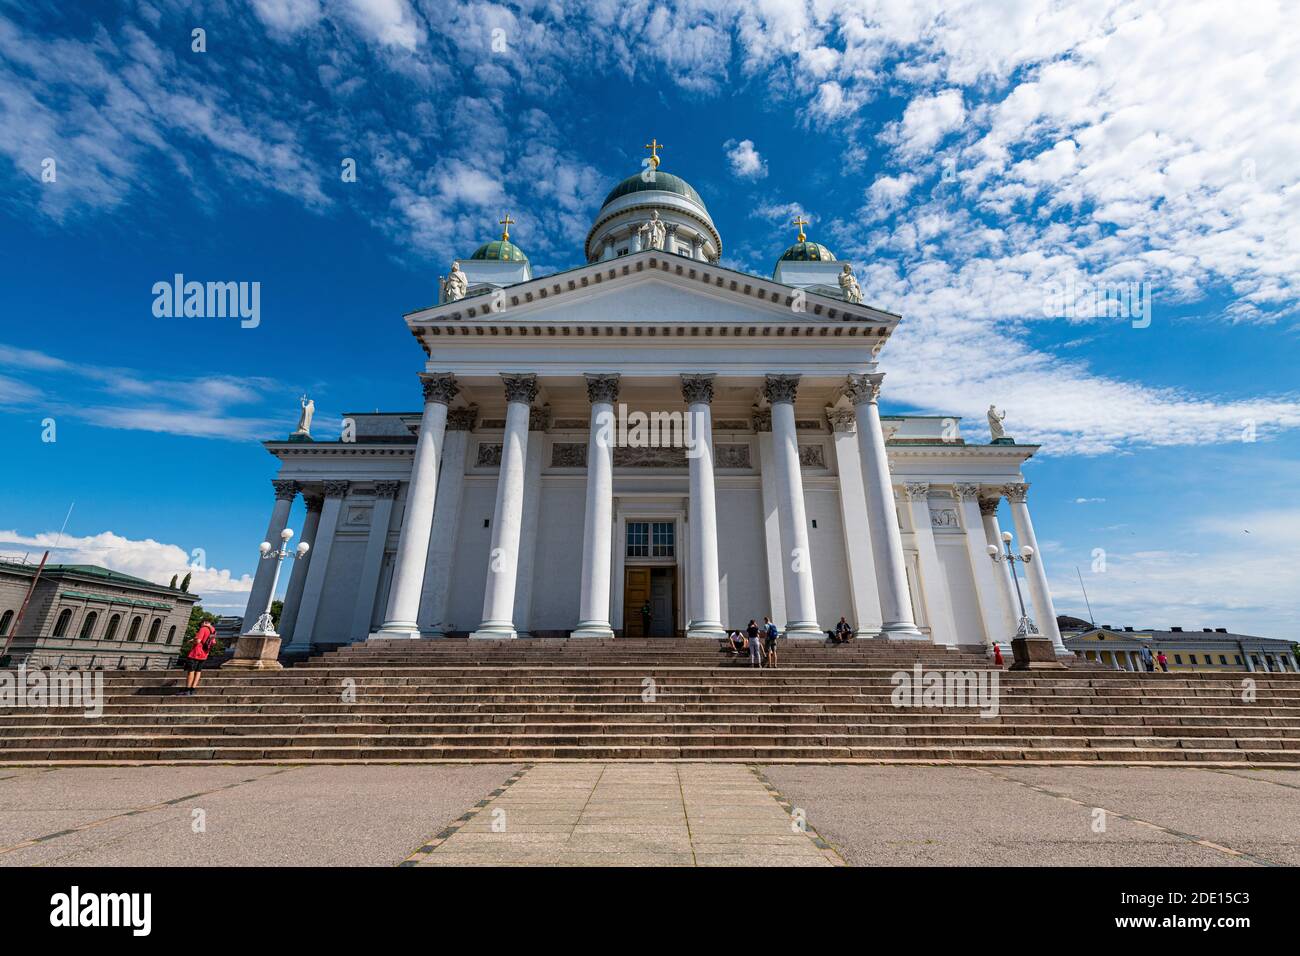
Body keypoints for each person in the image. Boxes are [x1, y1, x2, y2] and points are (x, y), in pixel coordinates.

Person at [182, 620, 217, 696]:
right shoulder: (213, 630)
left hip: (196, 653)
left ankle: (187, 689)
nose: (201, 625)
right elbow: (213, 642)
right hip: (204, 654)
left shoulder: (203, 628)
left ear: (204, 622)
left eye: (201, 624)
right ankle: (192, 689)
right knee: (198, 671)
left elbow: (198, 641)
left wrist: (191, 641)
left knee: (191, 671)